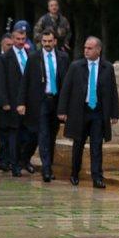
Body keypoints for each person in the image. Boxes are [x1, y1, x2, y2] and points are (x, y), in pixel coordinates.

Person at [57, 37, 119, 188]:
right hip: (80, 111)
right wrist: (62, 110)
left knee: (96, 145)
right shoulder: (76, 66)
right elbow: (66, 89)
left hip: (98, 112)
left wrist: (114, 113)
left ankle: (97, 177)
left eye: (90, 48)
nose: (86, 50)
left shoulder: (107, 68)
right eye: (85, 47)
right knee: (78, 143)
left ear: (98, 50)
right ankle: (74, 173)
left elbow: (113, 91)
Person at [17, 29, 69, 182]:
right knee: (43, 134)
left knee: (52, 134)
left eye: (49, 41)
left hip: (57, 101)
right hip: (40, 101)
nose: (47, 44)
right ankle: (46, 169)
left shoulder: (63, 57)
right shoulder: (34, 58)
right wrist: (21, 102)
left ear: (55, 41)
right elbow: (25, 81)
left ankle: (29, 160)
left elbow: (67, 82)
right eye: (44, 41)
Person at [0, 25, 28, 176]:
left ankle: (24, 161)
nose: (21, 42)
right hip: (12, 102)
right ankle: (14, 165)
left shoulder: (31, 54)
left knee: (28, 134)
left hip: (28, 103)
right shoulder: (5, 58)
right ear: (13, 39)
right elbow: (1, 81)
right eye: (18, 39)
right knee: (14, 134)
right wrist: (5, 102)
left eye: (23, 39)